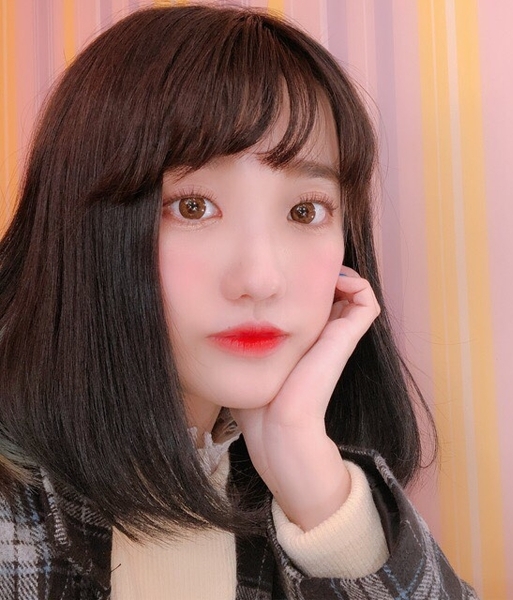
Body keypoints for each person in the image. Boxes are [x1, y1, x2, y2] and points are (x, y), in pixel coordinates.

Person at [0, 5, 478, 599]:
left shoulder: (277, 480)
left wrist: (309, 475)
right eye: (193, 206)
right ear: (83, 221)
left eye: (305, 210)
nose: (261, 278)